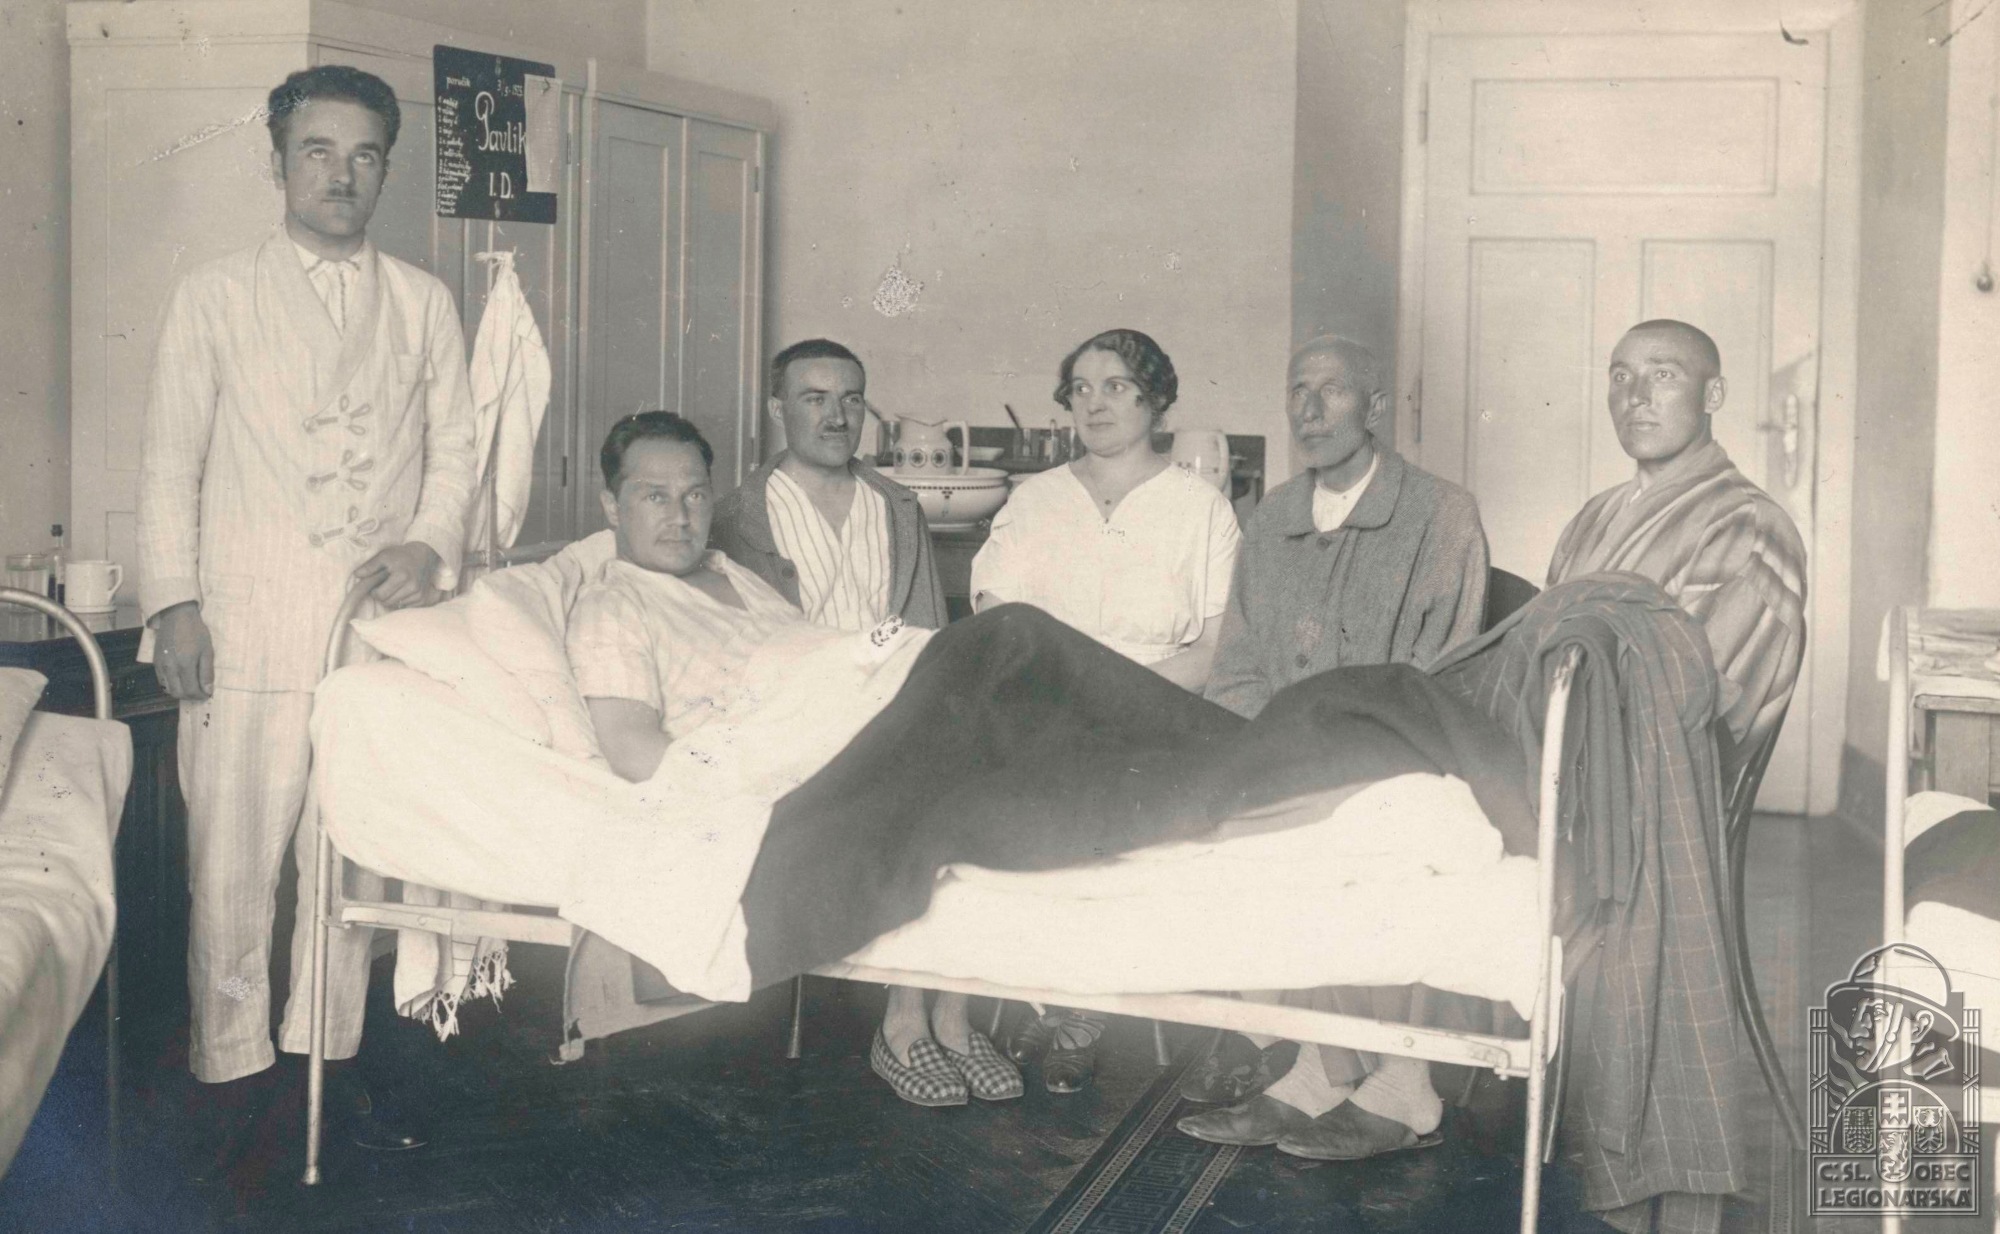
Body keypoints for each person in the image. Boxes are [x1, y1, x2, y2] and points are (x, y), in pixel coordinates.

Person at [136, 65, 476, 1168]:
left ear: (386, 167)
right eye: (317, 151)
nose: (341, 174)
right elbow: (169, 463)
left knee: (350, 864)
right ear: (278, 161)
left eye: (364, 154)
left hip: (375, 633)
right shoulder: (214, 295)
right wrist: (176, 606)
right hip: (245, 626)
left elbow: (456, 450)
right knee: (232, 867)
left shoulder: (422, 301)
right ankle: (231, 1076)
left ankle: (325, 1065)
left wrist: (428, 542)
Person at [581, 411, 1020, 1108]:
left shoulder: (730, 573)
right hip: (777, 764)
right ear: (611, 505)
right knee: (953, 765)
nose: (680, 516)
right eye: (653, 496)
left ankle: (950, 1014)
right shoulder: (617, 605)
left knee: (993, 699)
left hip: (838, 719)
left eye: (694, 494)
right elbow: (634, 748)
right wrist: (759, 795)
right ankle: (908, 1022)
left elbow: (809, 656)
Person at [1176, 335, 1489, 1162]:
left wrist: (1335, 757)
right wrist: (1257, 760)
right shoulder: (1272, 518)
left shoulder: (1442, 515)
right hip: (1283, 760)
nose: (1309, 412)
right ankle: (1323, 1065)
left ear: (1375, 407)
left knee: (1367, 833)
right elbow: (1238, 666)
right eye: (1296, 391)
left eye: (1333, 392)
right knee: (1254, 826)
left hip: (1400, 756)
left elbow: (1443, 674)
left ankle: (1402, 1083)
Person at [709, 341, 993, 1105]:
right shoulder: (739, 517)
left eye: (852, 398)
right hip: (800, 721)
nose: (837, 417)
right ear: (778, 410)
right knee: (916, 805)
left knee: (977, 782)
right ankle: (904, 1022)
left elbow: (928, 632)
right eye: (814, 398)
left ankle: (954, 1014)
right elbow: (739, 653)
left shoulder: (895, 506)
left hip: (894, 708)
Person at [969, 328, 1241, 1091]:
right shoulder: (1034, 502)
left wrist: (1117, 698)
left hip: (1157, 713)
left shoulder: (1200, 510)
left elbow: (1214, 651)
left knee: (1108, 804)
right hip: (1042, 707)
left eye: (1116, 386)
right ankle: (1038, 992)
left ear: (1157, 400)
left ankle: (1079, 1009)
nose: (1095, 403)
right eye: (1081, 388)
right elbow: (995, 620)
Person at [1546, 318, 1807, 766]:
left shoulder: (1747, 525)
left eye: (1663, 374)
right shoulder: (1593, 516)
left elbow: (1693, 716)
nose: (1636, 396)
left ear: (1713, 395)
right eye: (1621, 376)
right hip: (1554, 751)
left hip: (1644, 778)